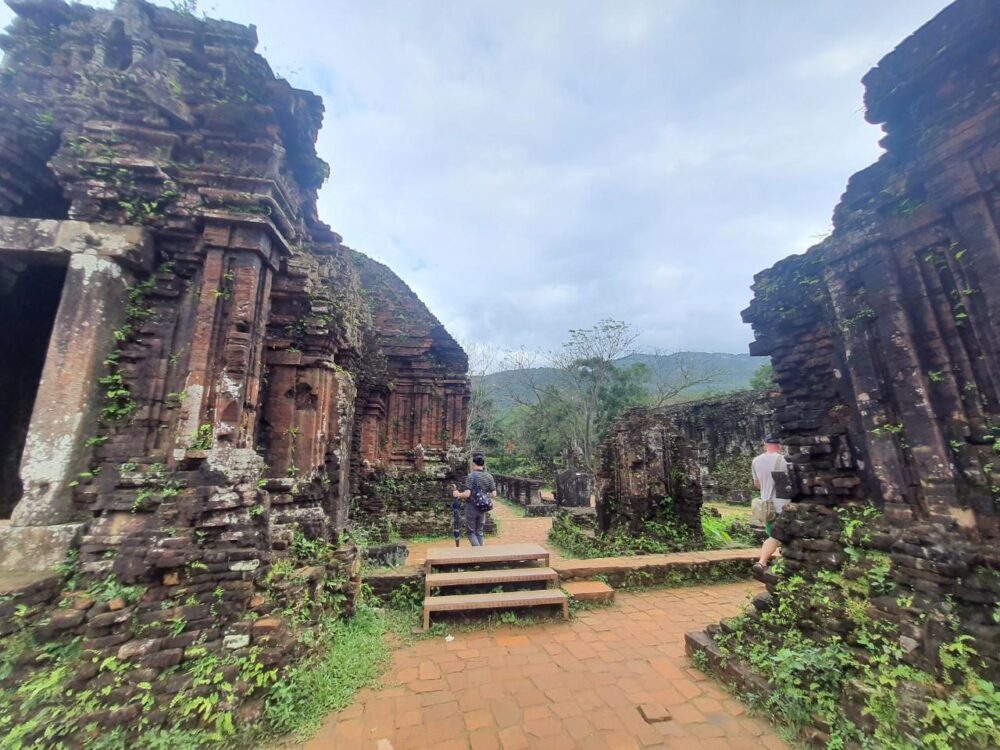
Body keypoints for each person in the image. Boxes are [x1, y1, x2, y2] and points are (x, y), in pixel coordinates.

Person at [752, 435, 789, 574]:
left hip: (766, 507)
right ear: (779, 445)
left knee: (773, 534)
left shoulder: (756, 461)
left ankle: (768, 563)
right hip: (783, 505)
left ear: (764, 444)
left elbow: (757, 484)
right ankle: (762, 562)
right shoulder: (785, 460)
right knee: (777, 536)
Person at [451, 453, 496, 547]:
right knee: (479, 532)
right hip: (483, 508)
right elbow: (494, 494)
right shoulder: (489, 476)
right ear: (483, 464)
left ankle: (479, 554)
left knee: (471, 532)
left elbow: (467, 494)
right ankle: (481, 555)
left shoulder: (471, 476)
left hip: (472, 506)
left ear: (474, 464)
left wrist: (458, 494)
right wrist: (483, 497)